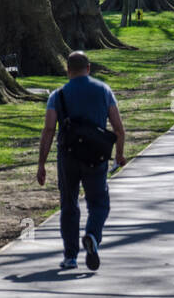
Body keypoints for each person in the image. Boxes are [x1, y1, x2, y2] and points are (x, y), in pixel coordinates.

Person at [36, 51, 127, 271]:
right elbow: (118, 128)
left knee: (69, 205)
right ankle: (93, 236)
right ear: (88, 68)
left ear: (68, 71)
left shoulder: (57, 96)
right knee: (99, 203)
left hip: (68, 157)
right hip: (96, 156)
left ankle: (70, 257)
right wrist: (119, 155)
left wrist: (41, 164)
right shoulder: (104, 90)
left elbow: (48, 130)